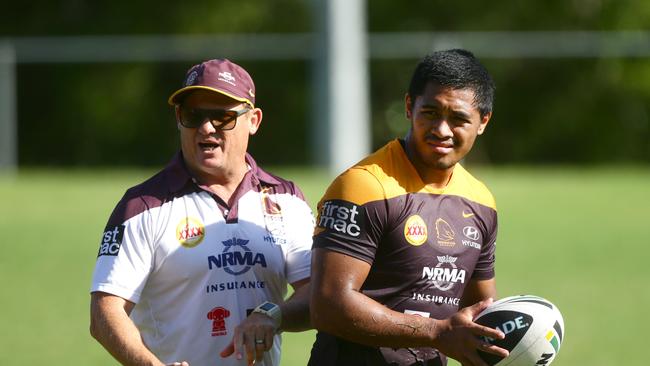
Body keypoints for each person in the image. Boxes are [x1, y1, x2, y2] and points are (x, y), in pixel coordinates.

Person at [89, 58, 314, 366]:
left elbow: (318, 295)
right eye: (193, 115)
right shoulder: (142, 205)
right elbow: (105, 313)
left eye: (222, 117)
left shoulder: (286, 200)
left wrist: (273, 315)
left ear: (254, 121)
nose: (206, 127)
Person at [308, 49, 510, 366]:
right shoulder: (363, 186)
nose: (442, 130)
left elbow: (480, 311)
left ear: (483, 122)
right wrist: (435, 332)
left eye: (458, 119)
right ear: (408, 107)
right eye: (430, 113)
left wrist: (510, 344)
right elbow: (328, 305)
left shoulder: (481, 201)